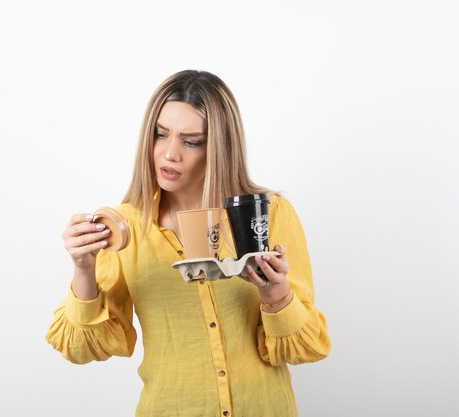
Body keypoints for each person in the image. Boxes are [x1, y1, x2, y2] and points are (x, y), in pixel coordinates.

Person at [46, 70, 331, 417]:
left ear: (219, 147)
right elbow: (85, 349)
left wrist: (275, 294)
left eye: (191, 141)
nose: (169, 154)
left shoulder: (266, 215)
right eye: (160, 135)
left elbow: (304, 349)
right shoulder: (127, 227)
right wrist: (83, 268)